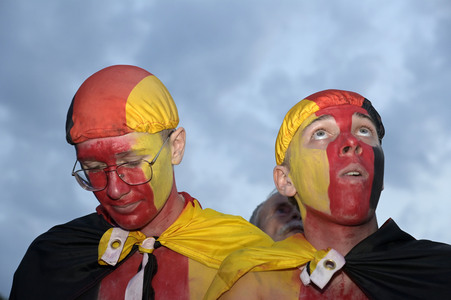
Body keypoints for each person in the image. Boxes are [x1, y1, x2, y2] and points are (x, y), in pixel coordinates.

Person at [9, 65, 273, 300]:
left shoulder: (249, 255)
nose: (114, 189)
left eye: (131, 163)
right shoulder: (53, 257)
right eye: (94, 169)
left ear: (176, 147)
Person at [206, 89, 451, 299]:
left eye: (364, 131)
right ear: (286, 180)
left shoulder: (439, 269)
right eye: (320, 133)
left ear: (380, 174)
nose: (351, 142)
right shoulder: (253, 280)